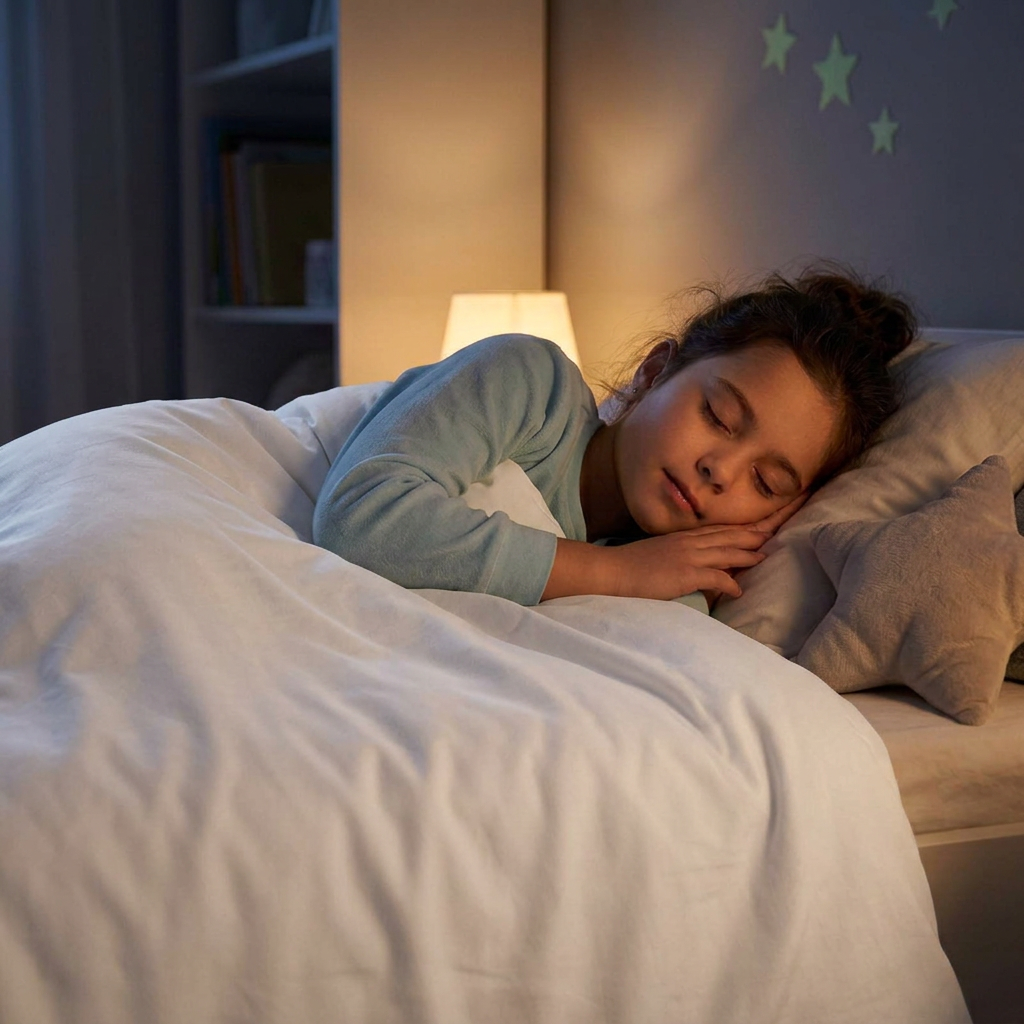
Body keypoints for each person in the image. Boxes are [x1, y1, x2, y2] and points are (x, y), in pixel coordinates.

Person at [312, 263, 917, 608]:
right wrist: (615, 574)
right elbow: (363, 517)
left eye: (766, 481)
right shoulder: (531, 384)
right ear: (654, 372)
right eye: (719, 417)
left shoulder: (674, 595)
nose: (721, 470)